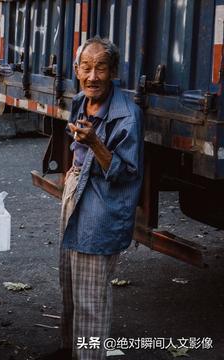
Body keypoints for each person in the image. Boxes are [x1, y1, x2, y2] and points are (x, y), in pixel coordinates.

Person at [41, 36, 144, 360]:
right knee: (70, 286)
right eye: (86, 67)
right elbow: (77, 146)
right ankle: (69, 349)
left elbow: (127, 174)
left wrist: (97, 144)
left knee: (91, 297)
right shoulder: (81, 100)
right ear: (77, 70)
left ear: (113, 72)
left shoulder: (127, 115)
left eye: (101, 67)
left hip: (103, 207)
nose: (93, 75)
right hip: (76, 195)